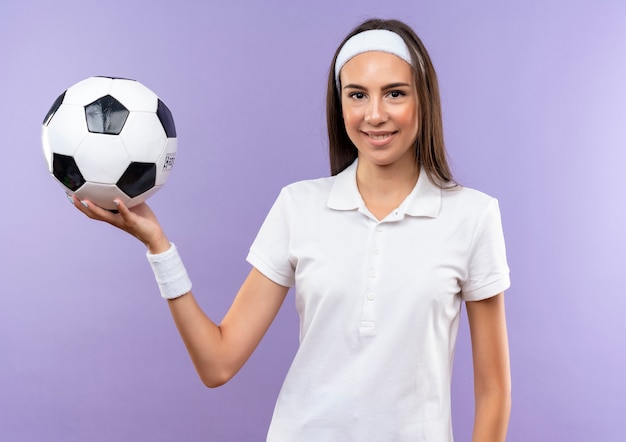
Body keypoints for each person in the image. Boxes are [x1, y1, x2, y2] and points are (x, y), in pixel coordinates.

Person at [71, 18, 511, 442]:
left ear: (423, 100)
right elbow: (217, 364)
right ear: (340, 106)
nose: (374, 114)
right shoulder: (298, 206)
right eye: (357, 95)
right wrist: (159, 246)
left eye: (394, 93)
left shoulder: (472, 217)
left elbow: (493, 391)